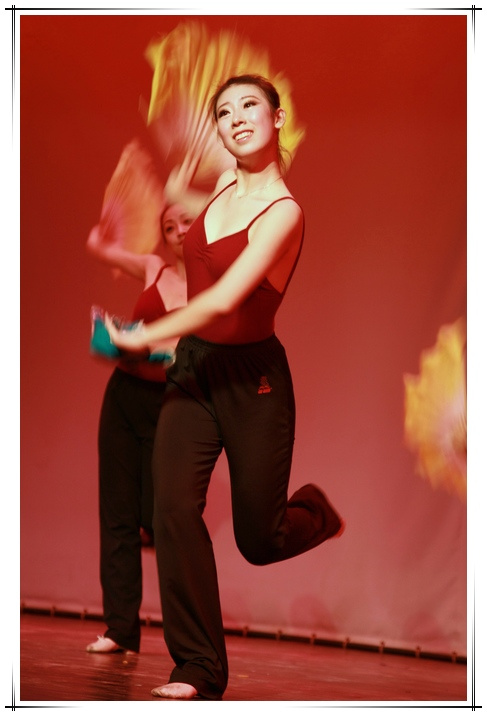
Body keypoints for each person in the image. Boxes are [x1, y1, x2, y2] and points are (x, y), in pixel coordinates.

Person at [106, 74, 344, 697]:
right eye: (223, 112)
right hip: (194, 371)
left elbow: (222, 302)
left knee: (258, 540)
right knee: (170, 509)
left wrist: (138, 335)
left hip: (252, 381)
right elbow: (187, 225)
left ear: (277, 118)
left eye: (249, 106)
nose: (235, 117)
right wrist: (160, 181)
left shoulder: (284, 214)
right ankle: (199, 667)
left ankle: (316, 513)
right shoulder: (218, 188)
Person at [85, 203, 192, 654]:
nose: (178, 231)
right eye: (169, 227)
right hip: (125, 394)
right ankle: (120, 629)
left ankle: (185, 638)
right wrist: (100, 239)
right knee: (117, 514)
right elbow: (104, 251)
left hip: (171, 402)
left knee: (157, 519)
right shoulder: (154, 267)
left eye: (186, 221)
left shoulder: (219, 286)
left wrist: (153, 343)